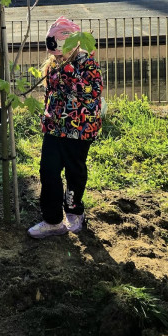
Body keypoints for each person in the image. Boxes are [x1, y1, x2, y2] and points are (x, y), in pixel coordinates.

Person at [28, 17, 103, 239]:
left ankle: (73, 210)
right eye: (53, 54)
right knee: (48, 171)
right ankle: (52, 221)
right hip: (54, 128)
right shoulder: (54, 64)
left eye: (60, 53)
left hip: (80, 130)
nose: (55, 57)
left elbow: (91, 91)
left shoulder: (87, 63)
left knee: (74, 172)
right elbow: (50, 93)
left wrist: (67, 68)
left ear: (71, 46)